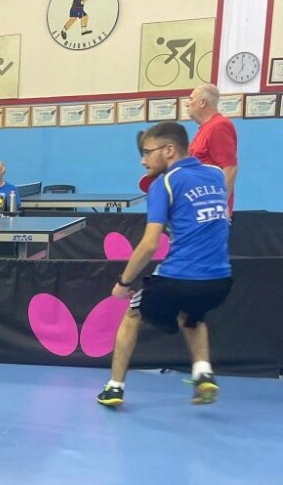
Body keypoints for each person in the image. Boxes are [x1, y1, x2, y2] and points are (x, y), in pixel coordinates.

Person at [97, 121, 232, 408]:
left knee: (132, 313)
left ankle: (114, 387)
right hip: (220, 281)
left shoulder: (164, 184)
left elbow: (149, 245)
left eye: (147, 152)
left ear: (169, 150)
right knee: (192, 314)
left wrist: (123, 283)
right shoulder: (216, 175)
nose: (142, 160)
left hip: (179, 277)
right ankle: (203, 372)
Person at [186, 83, 238, 215]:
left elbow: (230, 168)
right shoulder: (204, 128)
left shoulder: (219, 126)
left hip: (212, 211)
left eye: (191, 99)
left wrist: (219, 206)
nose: (187, 103)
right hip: (199, 207)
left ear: (202, 102)